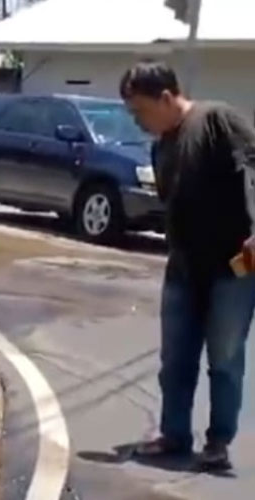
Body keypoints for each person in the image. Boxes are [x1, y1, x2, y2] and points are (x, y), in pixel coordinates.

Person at [120, 60, 255, 470]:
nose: (138, 121)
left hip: (235, 267)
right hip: (182, 268)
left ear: (165, 97)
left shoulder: (217, 121)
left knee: (225, 359)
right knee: (175, 360)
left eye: (140, 110)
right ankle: (173, 434)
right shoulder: (161, 144)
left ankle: (218, 442)